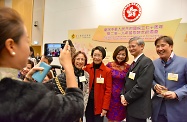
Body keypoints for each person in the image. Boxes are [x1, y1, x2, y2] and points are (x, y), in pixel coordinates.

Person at [0, 7, 83, 122]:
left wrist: (27, 80)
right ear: (11, 46)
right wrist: (68, 66)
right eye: (27, 41)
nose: (29, 49)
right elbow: (76, 105)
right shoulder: (30, 97)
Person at [151, 36, 187, 122]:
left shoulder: (184, 62)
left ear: (171, 46)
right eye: (157, 46)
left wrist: (176, 93)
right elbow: (150, 80)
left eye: (163, 45)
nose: (160, 49)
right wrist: (155, 85)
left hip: (177, 109)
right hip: (158, 108)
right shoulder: (154, 63)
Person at [120, 37, 154, 122]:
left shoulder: (146, 62)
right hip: (131, 107)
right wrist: (122, 95)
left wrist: (126, 98)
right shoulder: (134, 63)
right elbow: (127, 82)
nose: (131, 49)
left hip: (138, 108)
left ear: (142, 46)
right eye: (129, 47)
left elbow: (141, 86)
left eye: (133, 46)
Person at [84, 46, 112, 122]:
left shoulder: (107, 71)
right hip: (88, 103)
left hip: (100, 104)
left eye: (99, 55)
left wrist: (105, 107)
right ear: (92, 56)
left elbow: (108, 90)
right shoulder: (86, 68)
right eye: (95, 55)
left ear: (103, 57)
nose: (96, 57)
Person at [106, 46, 130, 122]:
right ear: (115, 54)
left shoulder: (128, 67)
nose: (121, 56)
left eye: (123, 54)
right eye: (119, 54)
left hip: (122, 96)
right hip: (111, 96)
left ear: (126, 56)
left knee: (119, 118)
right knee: (110, 117)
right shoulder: (109, 65)